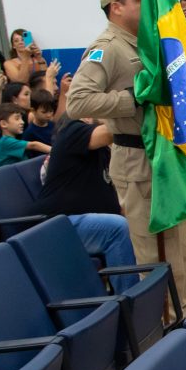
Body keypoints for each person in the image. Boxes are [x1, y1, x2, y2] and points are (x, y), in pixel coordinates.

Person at [67, 0, 186, 316]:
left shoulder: (150, 43)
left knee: (183, 251)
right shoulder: (107, 49)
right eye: (138, 0)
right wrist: (135, 98)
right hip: (138, 160)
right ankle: (161, 331)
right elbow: (77, 102)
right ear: (116, 6)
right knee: (154, 257)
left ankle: (181, 318)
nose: (147, 5)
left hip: (170, 157)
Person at [29, 116, 137, 292]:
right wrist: (125, 112)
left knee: (138, 218)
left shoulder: (102, 153)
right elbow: (109, 132)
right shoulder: (71, 131)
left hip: (80, 222)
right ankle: (133, 303)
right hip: (55, 225)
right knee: (117, 228)